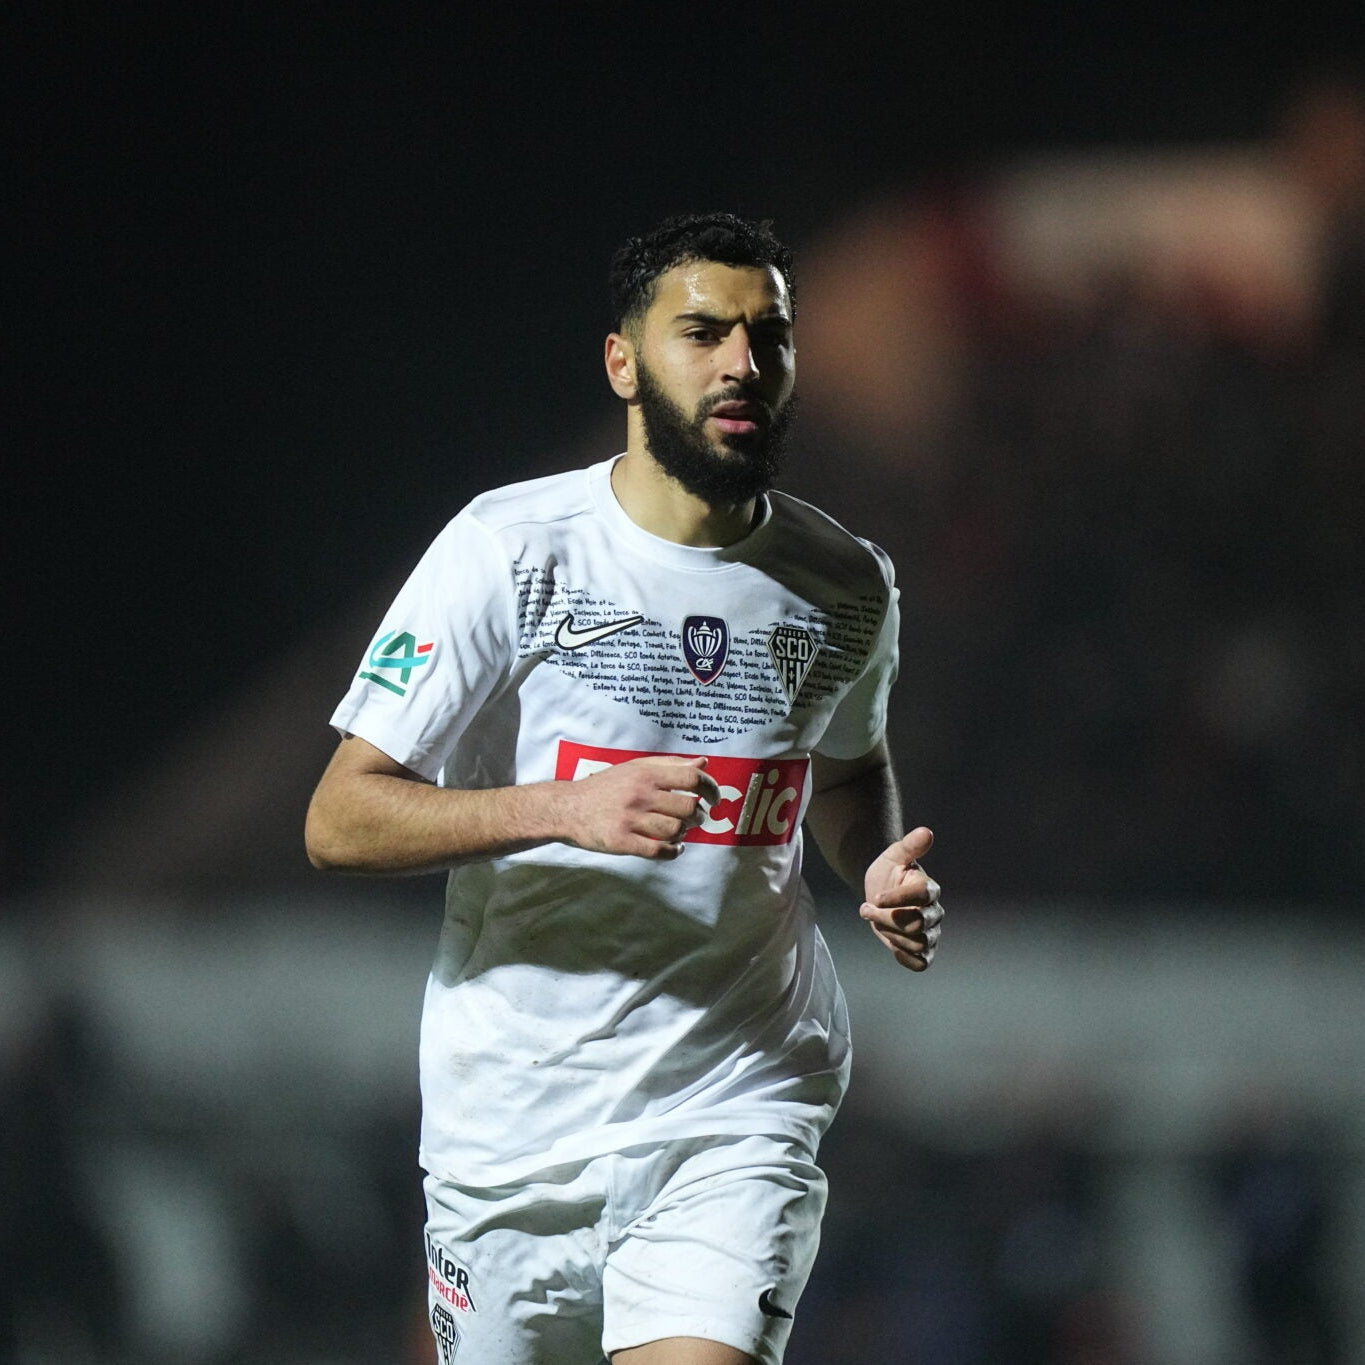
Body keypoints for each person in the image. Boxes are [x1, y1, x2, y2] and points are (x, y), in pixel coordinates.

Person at [305, 212, 944, 1365]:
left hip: (736, 1101)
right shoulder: (508, 550)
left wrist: (877, 861)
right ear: (623, 362)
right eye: (703, 333)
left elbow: (847, 768)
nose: (742, 364)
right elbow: (340, 816)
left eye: (769, 337)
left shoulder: (848, 584)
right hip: (511, 1127)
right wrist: (558, 809)